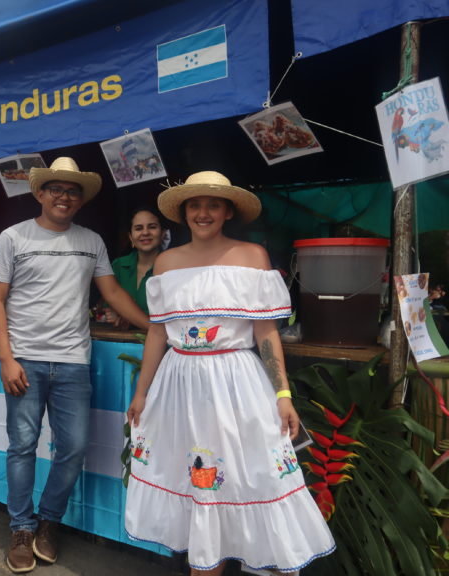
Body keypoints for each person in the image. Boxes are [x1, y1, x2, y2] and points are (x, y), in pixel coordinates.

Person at [124, 171, 335, 575]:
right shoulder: (166, 263)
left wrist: (283, 395)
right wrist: (141, 392)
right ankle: (205, 566)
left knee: (253, 476)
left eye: (213, 205)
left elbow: (266, 332)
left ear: (227, 212)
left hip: (238, 383)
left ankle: (260, 558)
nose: (203, 213)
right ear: (184, 213)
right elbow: (157, 332)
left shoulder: (252, 256)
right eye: (195, 205)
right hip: (179, 386)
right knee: (196, 480)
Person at [0, 156, 150, 574]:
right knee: (22, 447)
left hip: (74, 362)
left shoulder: (91, 241)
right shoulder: (13, 238)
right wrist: (6, 359)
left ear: (80, 200)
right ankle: (21, 528)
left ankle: (48, 523)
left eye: (72, 190)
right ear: (40, 193)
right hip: (25, 360)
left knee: (74, 450)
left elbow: (111, 291)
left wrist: (152, 327)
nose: (63, 196)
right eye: (56, 189)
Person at [104, 206, 166, 327]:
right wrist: (113, 313)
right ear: (131, 237)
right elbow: (109, 307)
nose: (145, 232)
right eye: (138, 228)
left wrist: (128, 317)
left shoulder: (172, 267)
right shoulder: (118, 265)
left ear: (163, 233)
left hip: (162, 342)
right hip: (120, 342)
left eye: (152, 227)